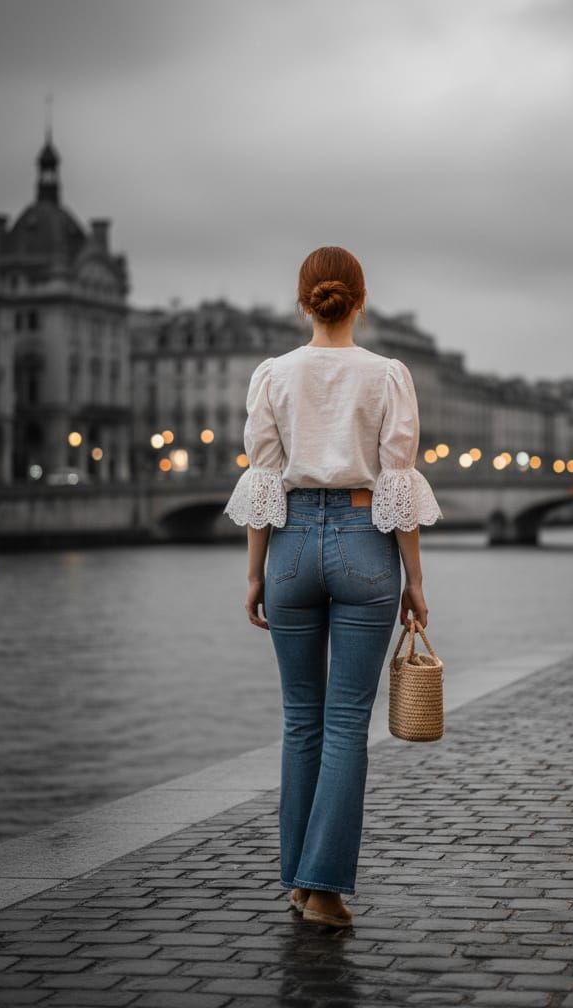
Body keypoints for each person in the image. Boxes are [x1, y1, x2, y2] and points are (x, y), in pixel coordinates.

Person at [224, 245, 442, 928]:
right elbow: (397, 481)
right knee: (347, 721)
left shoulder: (273, 374)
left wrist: (256, 572)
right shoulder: (387, 375)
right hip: (362, 542)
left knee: (300, 720)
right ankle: (323, 889)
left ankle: (297, 880)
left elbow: (263, 481)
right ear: (361, 299)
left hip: (287, 543)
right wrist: (415, 579)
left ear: (303, 299)